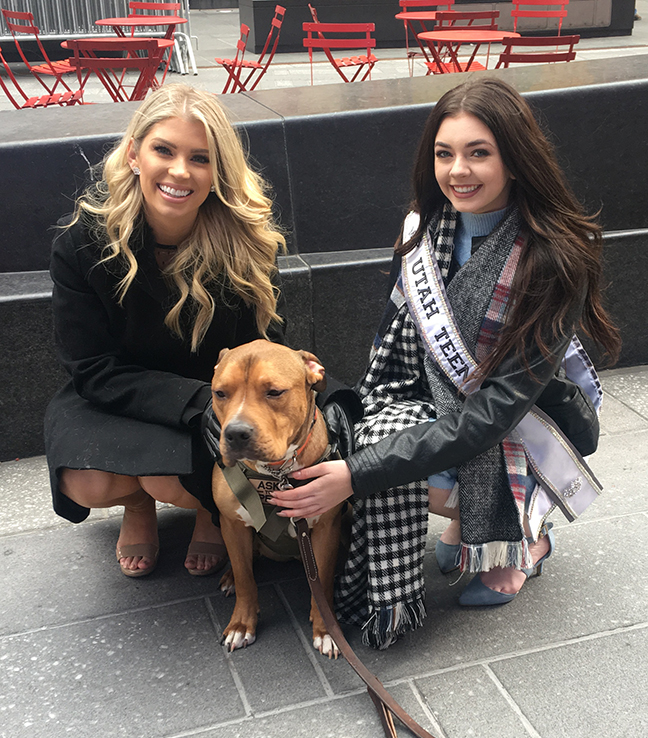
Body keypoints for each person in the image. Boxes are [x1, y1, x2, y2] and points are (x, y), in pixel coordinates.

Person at [269, 78, 621, 648]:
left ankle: (523, 536)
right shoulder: (424, 231)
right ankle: (467, 519)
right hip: (446, 403)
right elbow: (395, 350)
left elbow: (494, 414)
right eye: (444, 153)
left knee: (378, 466)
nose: (458, 170)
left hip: (528, 427)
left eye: (479, 152)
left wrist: (356, 475)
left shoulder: (556, 256)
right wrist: (361, 431)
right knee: (373, 436)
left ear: (516, 158)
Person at [45, 84, 285, 578]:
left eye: (200, 158)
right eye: (164, 150)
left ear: (218, 172)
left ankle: (204, 510)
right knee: (85, 481)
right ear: (134, 154)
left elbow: (266, 344)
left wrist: (225, 403)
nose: (180, 171)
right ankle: (137, 506)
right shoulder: (82, 246)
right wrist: (196, 401)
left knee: (172, 480)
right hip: (120, 390)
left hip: (216, 396)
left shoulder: (245, 243)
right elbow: (92, 368)